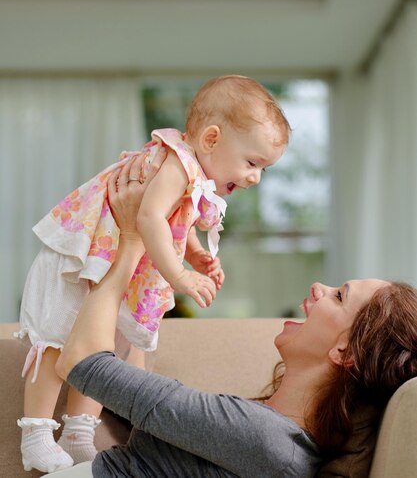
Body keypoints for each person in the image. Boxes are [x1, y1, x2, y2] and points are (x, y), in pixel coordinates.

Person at [47, 154, 417, 477]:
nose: (319, 286)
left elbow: (80, 362)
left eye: (339, 296)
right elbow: (137, 401)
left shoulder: (265, 441)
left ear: (344, 352)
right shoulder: (272, 436)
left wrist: (130, 238)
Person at [16, 75, 291, 473]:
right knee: (58, 339)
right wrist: (179, 276)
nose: (254, 178)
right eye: (252, 163)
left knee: (105, 348)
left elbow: (174, 221)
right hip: (83, 257)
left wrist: (194, 253)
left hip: (111, 264)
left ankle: (78, 432)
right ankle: (36, 433)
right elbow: (148, 217)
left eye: (262, 169)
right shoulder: (177, 165)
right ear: (211, 139)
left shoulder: (193, 174)